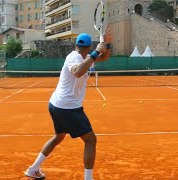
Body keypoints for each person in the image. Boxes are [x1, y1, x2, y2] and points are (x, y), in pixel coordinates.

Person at [24, 29, 112, 180]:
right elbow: (78, 71)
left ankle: (33, 169)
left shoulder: (85, 57)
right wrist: (96, 52)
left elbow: (103, 58)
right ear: (89, 47)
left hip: (57, 104)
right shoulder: (74, 57)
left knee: (58, 137)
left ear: (77, 44)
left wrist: (107, 45)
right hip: (67, 108)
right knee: (91, 140)